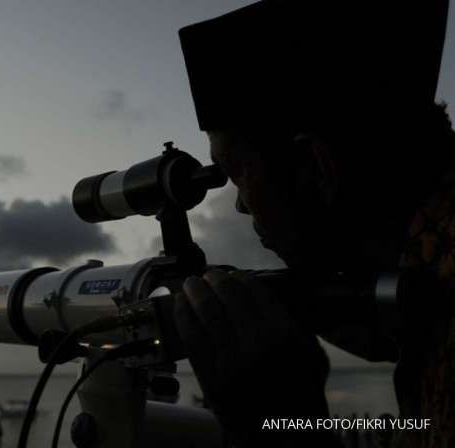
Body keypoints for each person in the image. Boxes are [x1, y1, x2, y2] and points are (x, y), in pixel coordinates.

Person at [174, 1, 453, 447]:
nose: (242, 208)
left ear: (312, 166)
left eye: (239, 172)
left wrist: (279, 423)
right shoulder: (429, 265)